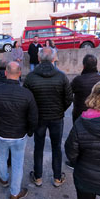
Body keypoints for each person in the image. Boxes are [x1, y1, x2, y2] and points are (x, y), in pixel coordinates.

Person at [0, 61, 38, 199]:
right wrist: (30, 131)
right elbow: (33, 117)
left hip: (1, 133)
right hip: (19, 135)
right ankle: (14, 193)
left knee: (2, 157)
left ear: (6, 73)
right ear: (19, 74)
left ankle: (3, 179)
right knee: (17, 163)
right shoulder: (27, 94)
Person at [24, 47, 73, 187]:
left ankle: (38, 177)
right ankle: (57, 178)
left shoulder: (31, 77)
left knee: (38, 146)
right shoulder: (61, 76)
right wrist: (60, 110)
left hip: (39, 118)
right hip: (56, 117)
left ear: (39, 59)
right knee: (56, 147)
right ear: (53, 59)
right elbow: (69, 98)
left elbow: (26, 99)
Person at [71, 54, 100, 124]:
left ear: (84, 66)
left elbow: (68, 93)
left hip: (80, 113)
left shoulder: (78, 80)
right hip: (99, 113)